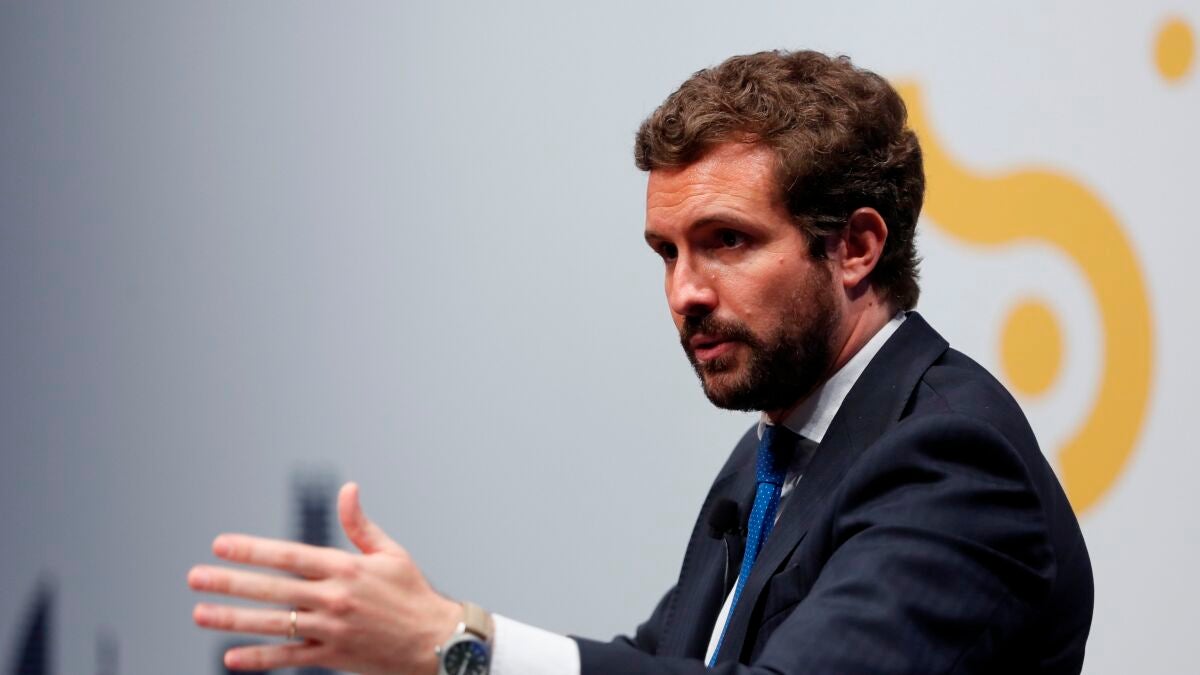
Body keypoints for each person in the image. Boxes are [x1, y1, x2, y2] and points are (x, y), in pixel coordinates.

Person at [188, 49, 1093, 674]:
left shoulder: (952, 459)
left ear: (855, 247)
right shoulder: (776, 456)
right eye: (667, 252)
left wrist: (461, 643)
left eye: (727, 240)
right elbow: (664, 661)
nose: (684, 292)